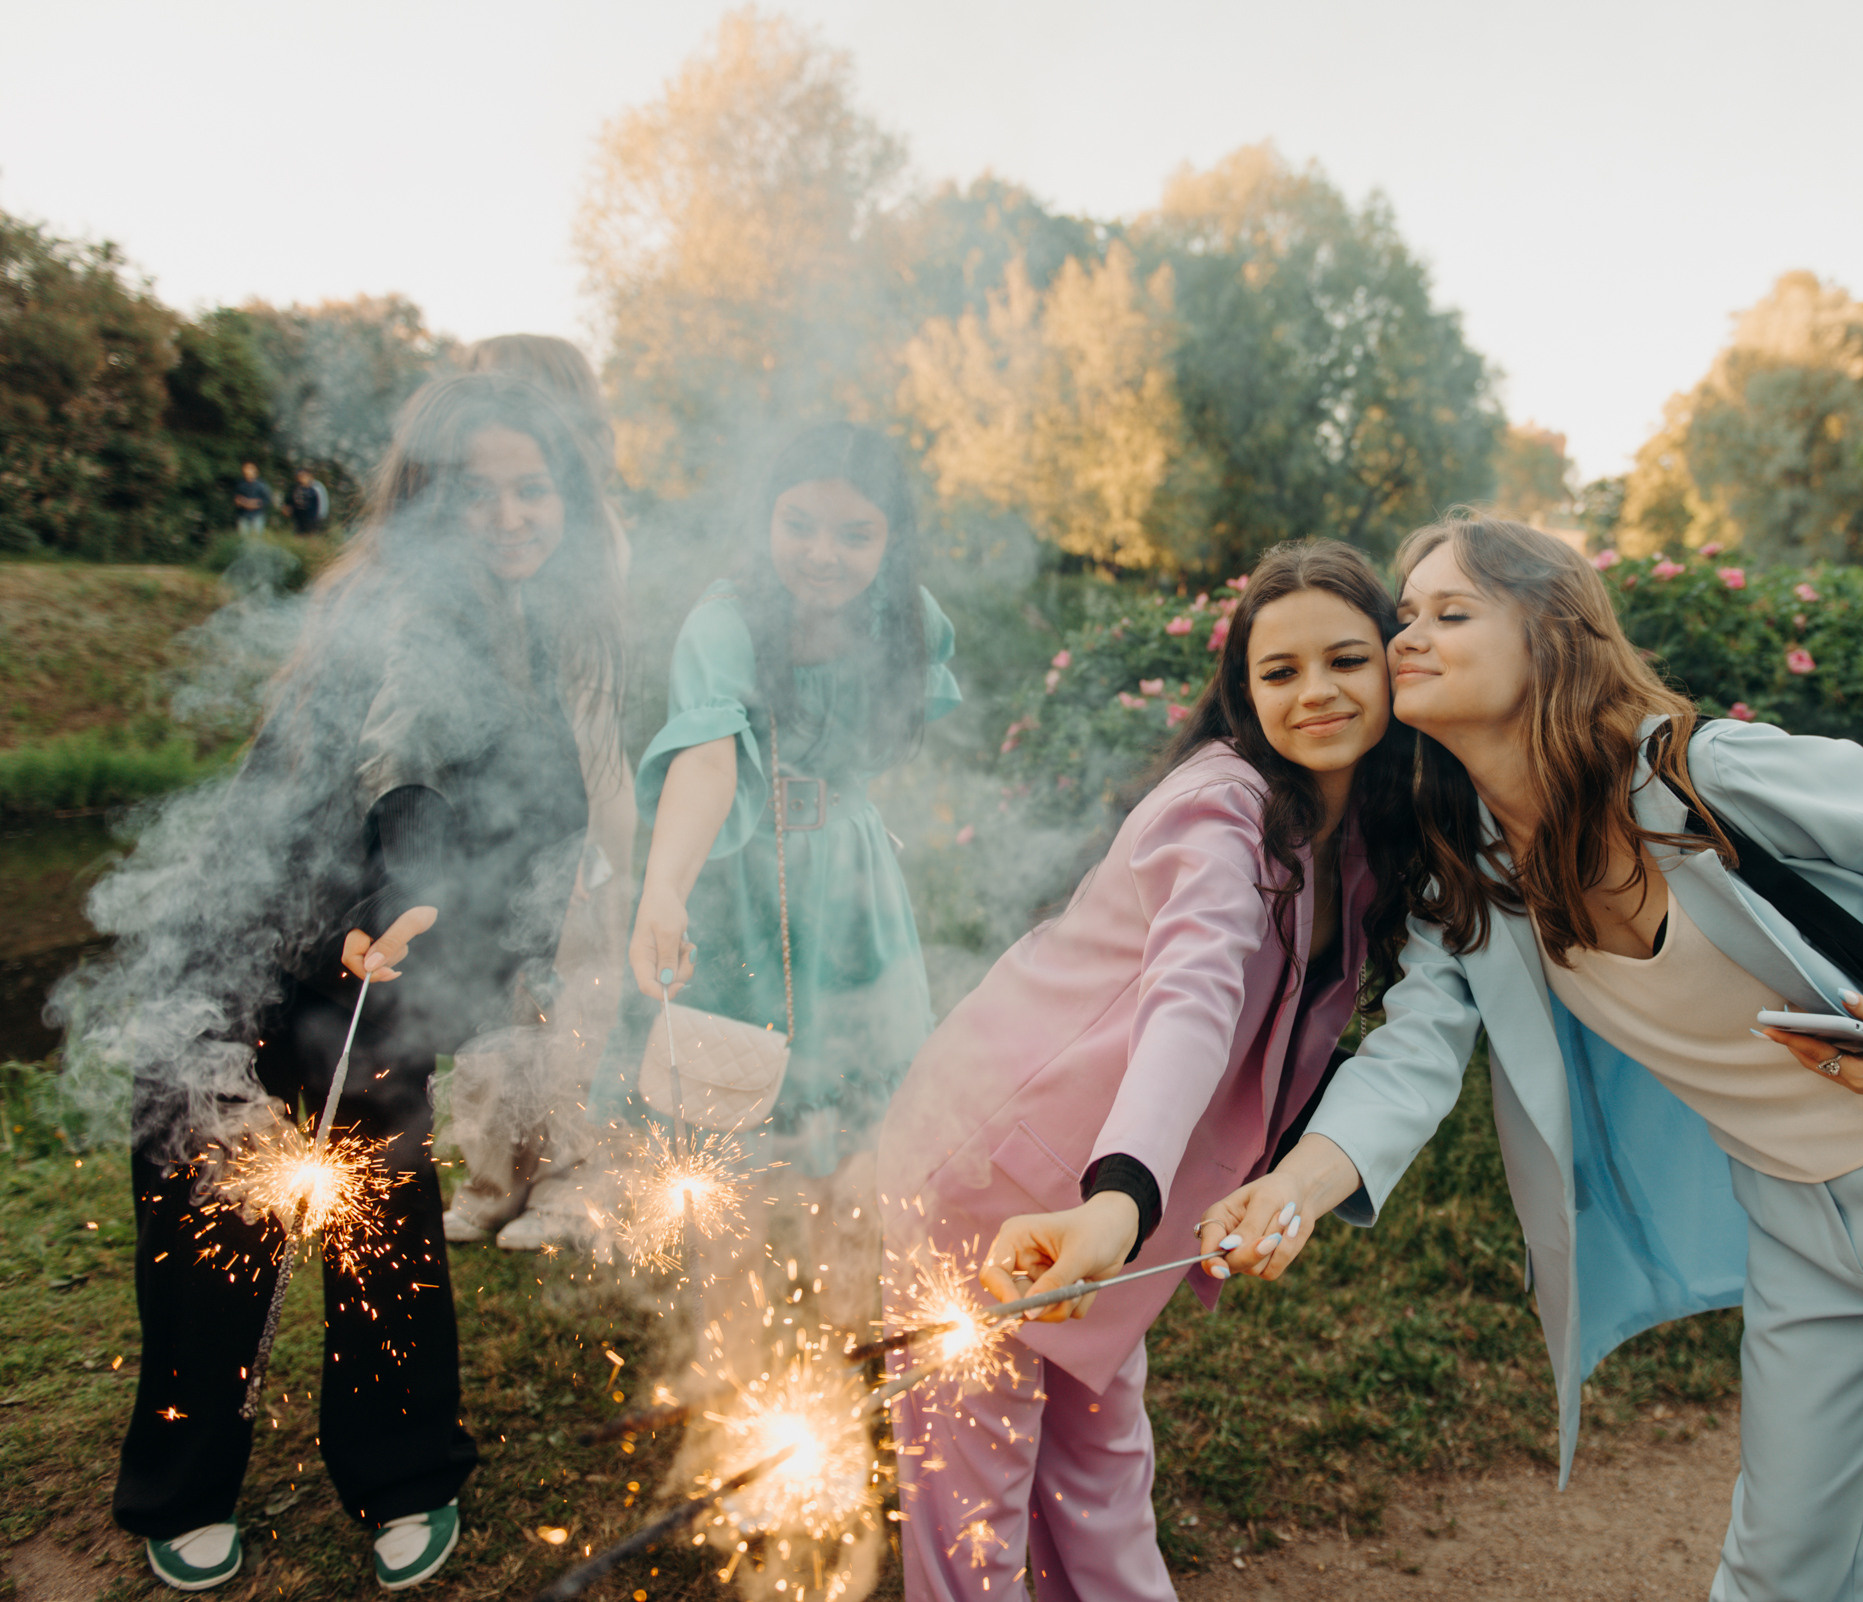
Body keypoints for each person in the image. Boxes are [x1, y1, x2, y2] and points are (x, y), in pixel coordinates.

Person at [1203, 515, 1863, 1602]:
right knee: (1782, 1569)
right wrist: (1295, 1188)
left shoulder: (1703, 773)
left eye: (1451, 612)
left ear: (1550, 634)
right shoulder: (1470, 876)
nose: (1408, 638)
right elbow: (1412, 1054)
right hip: (1805, 1230)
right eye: (1405, 617)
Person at [106, 374, 620, 1592]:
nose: (509, 516)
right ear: (427, 505)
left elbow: (535, 819)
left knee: (384, 1211)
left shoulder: (551, 628)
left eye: (533, 489)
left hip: (379, 972)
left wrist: (507, 952)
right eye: (476, 493)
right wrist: (397, 894)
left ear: (569, 498)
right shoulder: (398, 616)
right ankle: (183, 1487)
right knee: (215, 1219)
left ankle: (404, 1472)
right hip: (245, 958)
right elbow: (405, 772)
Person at [878, 540, 1423, 1602]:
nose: (1316, 691)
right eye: (1280, 671)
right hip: (996, 1184)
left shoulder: (1364, 834)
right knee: (975, 1519)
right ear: (1244, 692)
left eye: (1346, 660)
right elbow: (1194, 995)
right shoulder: (1217, 807)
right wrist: (1122, 1195)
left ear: (1392, 664)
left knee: (1101, 1480)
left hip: (1114, 1208)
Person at [614, 423, 956, 1316]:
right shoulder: (724, 622)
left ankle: (844, 1335)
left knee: (863, 1129)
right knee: (730, 1132)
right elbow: (708, 760)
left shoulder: (907, 620)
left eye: (855, 534)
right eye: (798, 523)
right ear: (763, 518)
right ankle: (726, 1353)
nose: (822, 553)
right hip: (740, 887)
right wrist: (664, 889)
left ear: (892, 539)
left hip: (852, 890)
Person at [439, 333, 633, 1253]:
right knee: (490, 1002)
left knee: (574, 1000)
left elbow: (596, 715)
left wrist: (601, 847)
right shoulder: (468, 551)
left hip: (577, 805)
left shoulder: (589, 545)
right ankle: (490, 1177)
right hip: (492, 812)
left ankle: (571, 1182)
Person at [285, 469, 329, 534]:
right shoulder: (296, 487)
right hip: (299, 517)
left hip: (313, 518)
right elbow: (290, 498)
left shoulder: (316, 488)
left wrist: (320, 517)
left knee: (309, 534)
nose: (300, 479)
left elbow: (322, 504)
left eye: (302, 476)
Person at [232, 463, 270, 534]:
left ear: (255, 473)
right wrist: (243, 503)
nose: (248, 476)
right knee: (244, 538)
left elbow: (267, 500)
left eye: (250, 474)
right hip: (243, 516)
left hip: (257, 516)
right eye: (246, 474)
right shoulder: (240, 485)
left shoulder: (262, 486)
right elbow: (236, 499)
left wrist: (254, 504)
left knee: (256, 537)